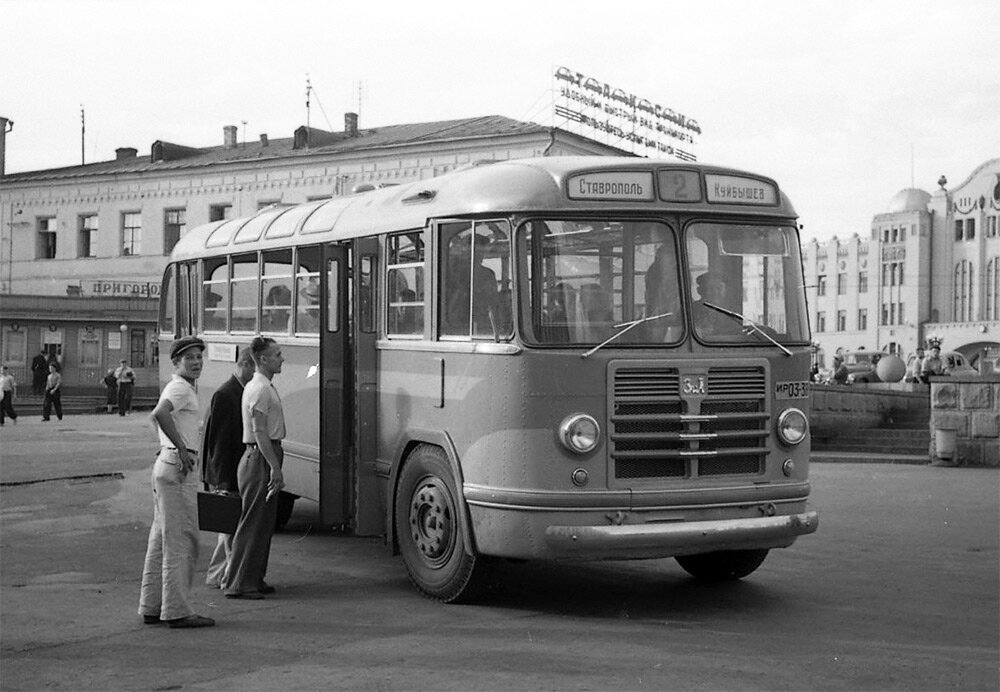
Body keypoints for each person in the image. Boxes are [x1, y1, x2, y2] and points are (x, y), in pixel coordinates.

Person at [137, 335, 215, 628]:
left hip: (166, 464)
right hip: (179, 465)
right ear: (176, 362)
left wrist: (168, 446)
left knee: (161, 538)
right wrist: (181, 448)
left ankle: (152, 606)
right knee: (181, 538)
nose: (196, 363)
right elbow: (158, 414)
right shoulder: (181, 388)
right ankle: (178, 610)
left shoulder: (177, 387)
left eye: (199, 357)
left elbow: (157, 418)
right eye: (189, 358)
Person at [223, 336, 286, 600]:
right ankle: (239, 584)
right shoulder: (260, 388)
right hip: (260, 456)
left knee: (262, 523)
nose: (281, 358)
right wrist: (275, 467)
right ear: (263, 359)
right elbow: (259, 431)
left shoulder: (260, 385)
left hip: (262, 455)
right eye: (277, 354)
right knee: (253, 523)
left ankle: (253, 578)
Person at [202, 347, 256, 589]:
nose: (256, 372)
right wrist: (223, 480)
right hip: (229, 473)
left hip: (231, 472)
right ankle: (226, 578)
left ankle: (216, 576)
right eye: (253, 366)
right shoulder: (227, 394)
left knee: (228, 530)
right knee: (231, 530)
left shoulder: (239, 391)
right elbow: (219, 442)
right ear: (243, 364)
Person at [692, 271, 738, 336]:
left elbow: (736, 330)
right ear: (700, 291)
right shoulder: (692, 309)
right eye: (710, 289)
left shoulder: (732, 310)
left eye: (719, 288)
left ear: (725, 290)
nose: (715, 293)